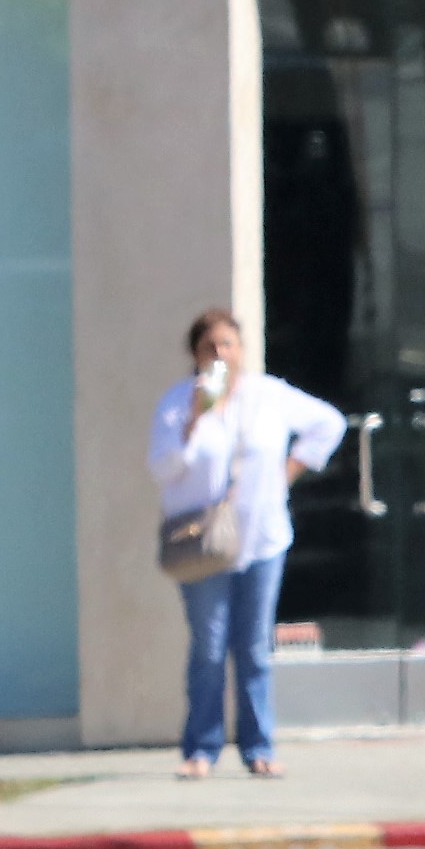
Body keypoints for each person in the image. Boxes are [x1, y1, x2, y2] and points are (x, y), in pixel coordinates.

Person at [147, 307, 347, 779]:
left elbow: (329, 423)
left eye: (228, 345)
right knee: (210, 649)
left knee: (254, 647)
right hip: (205, 544)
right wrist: (194, 423)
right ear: (194, 355)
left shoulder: (268, 396)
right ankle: (201, 749)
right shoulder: (177, 404)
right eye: (210, 347)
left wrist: (289, 473)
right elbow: (162, 469)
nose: (221, 354)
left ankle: (259, 747)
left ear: (242, 349)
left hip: (261, 540)